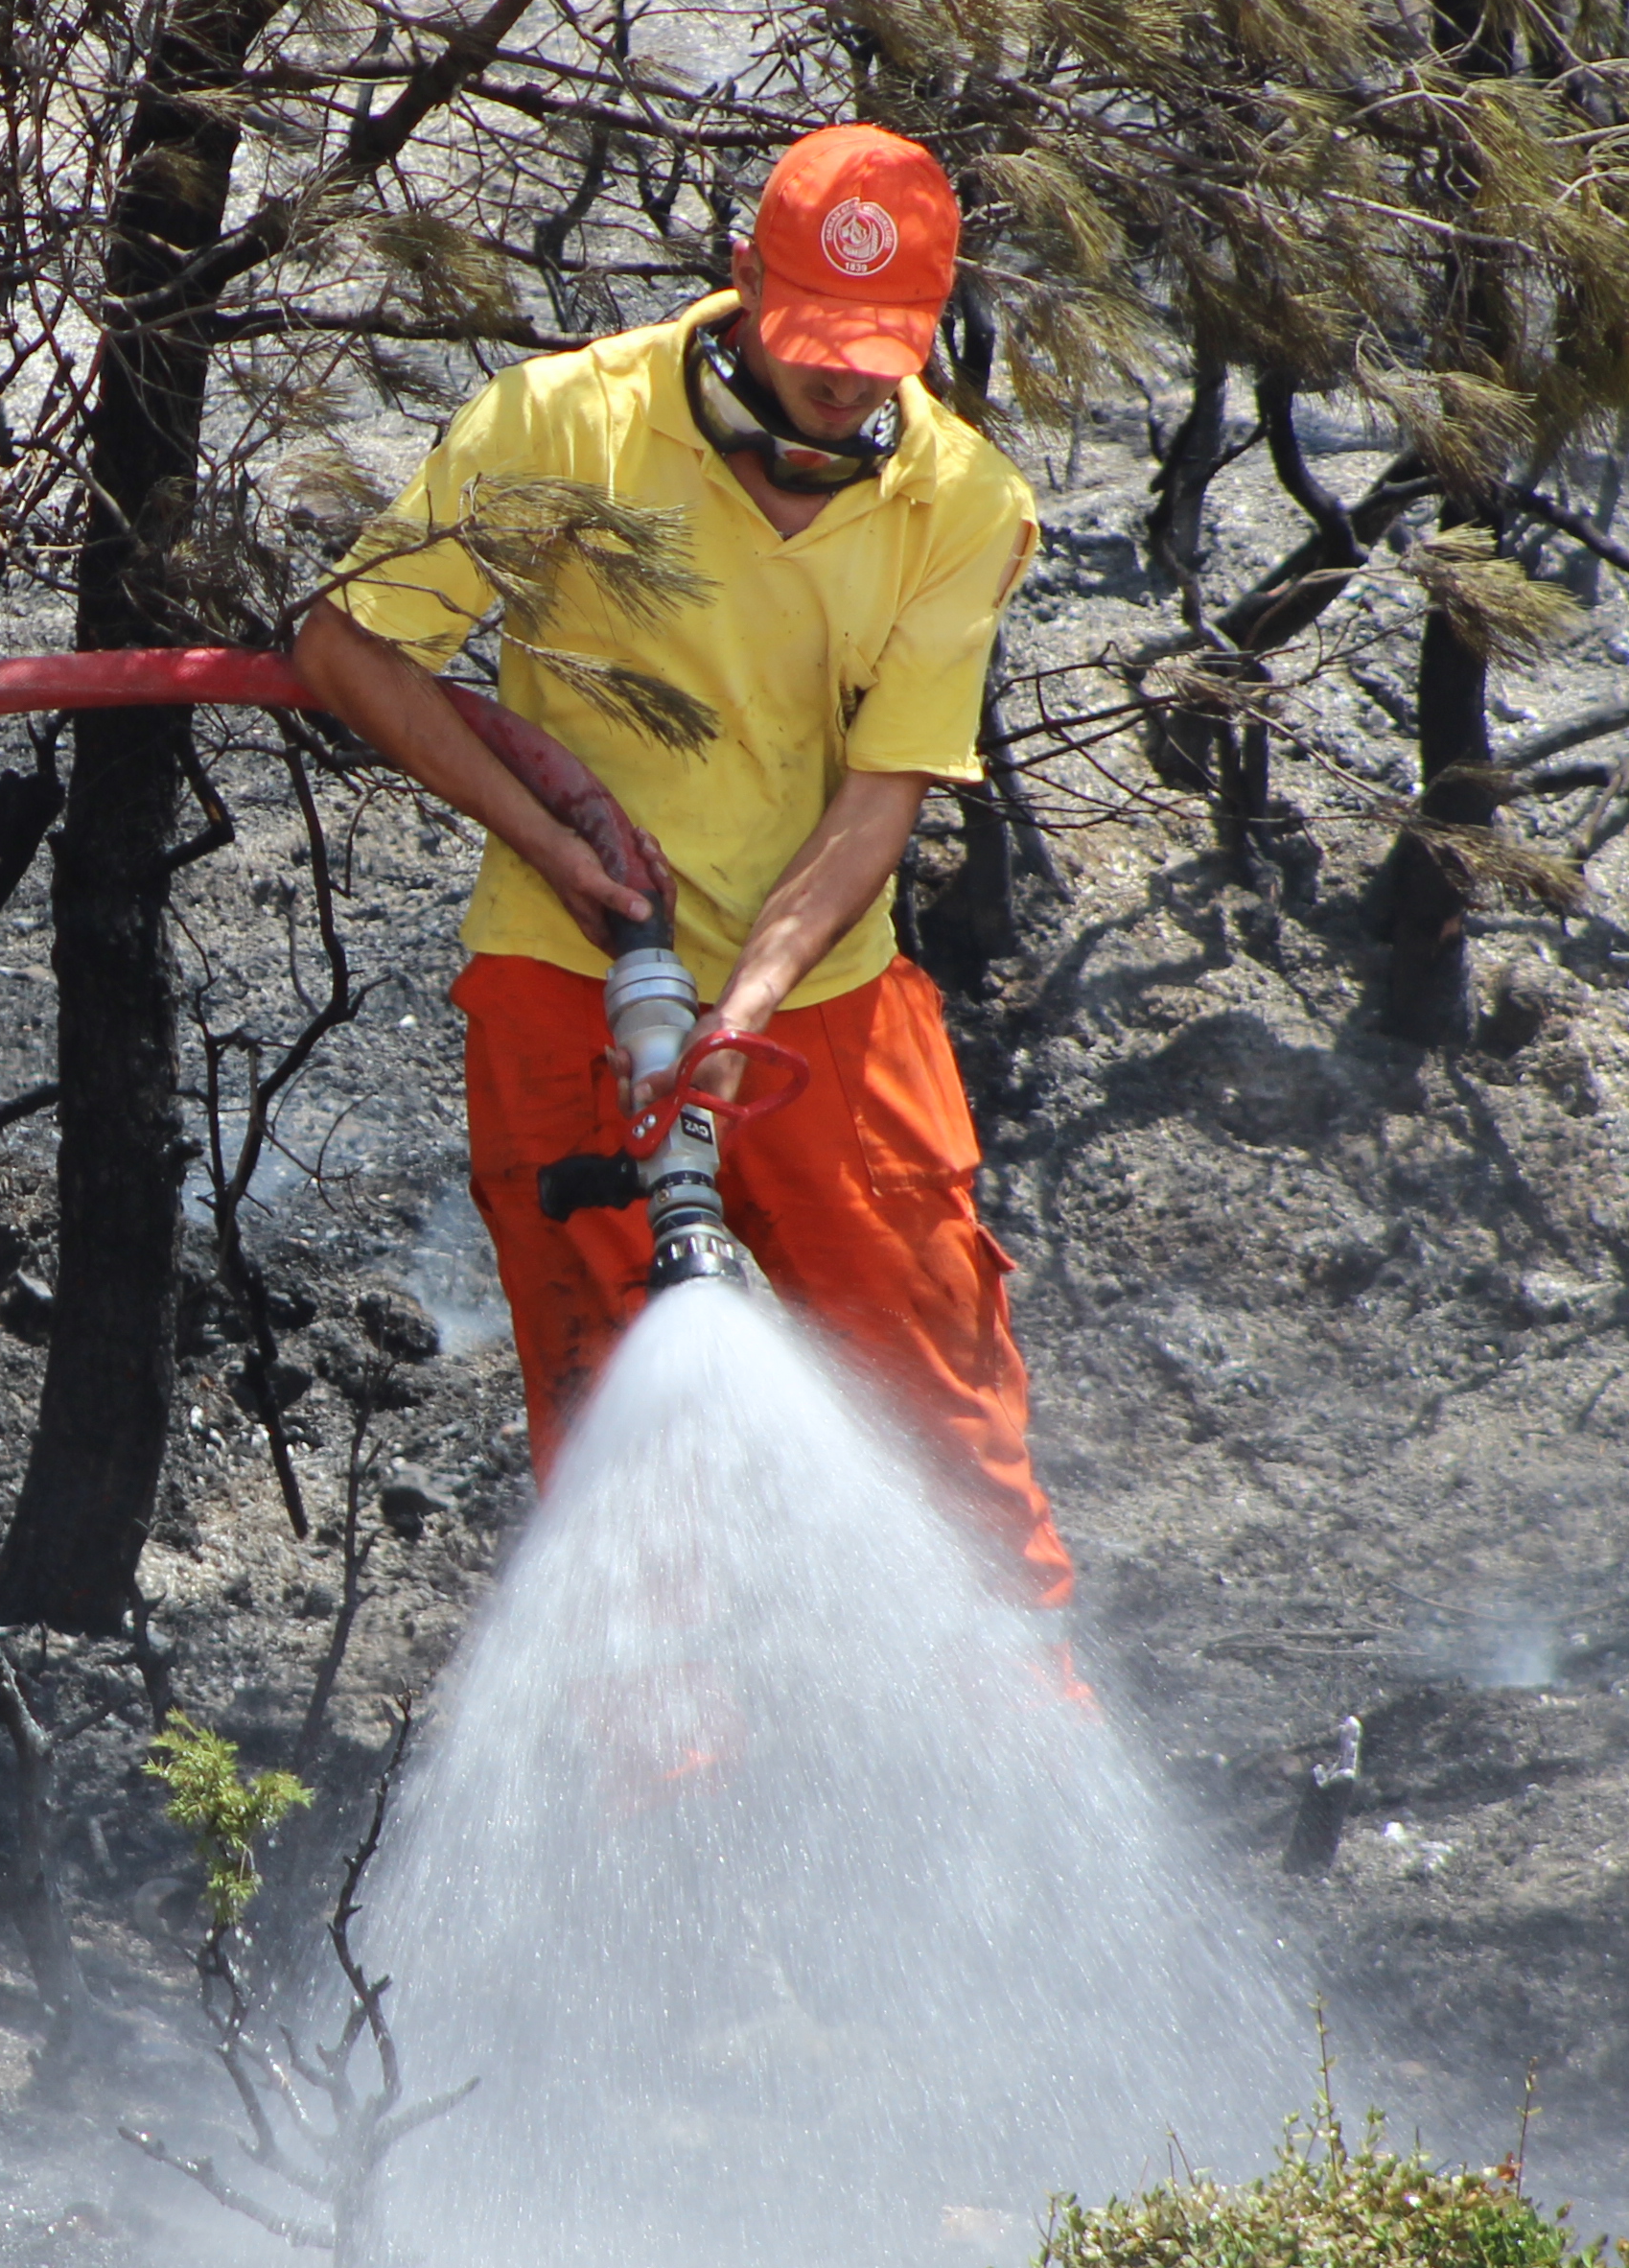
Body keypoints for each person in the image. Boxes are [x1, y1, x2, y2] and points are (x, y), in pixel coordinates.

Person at [289, 125, 1077, 1607]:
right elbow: (344, 648)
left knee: (954, 1425)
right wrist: (553, 839)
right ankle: (665, 1788)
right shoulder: (560, 429)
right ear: (739, 281)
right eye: (814, 341)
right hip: (561, 987)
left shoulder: (962, 506)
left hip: (824, 1006)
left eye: (879, 351)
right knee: (617, 1445)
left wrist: (750, 1000)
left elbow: (880, 795)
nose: (843, 380)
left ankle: (1020, 1724)